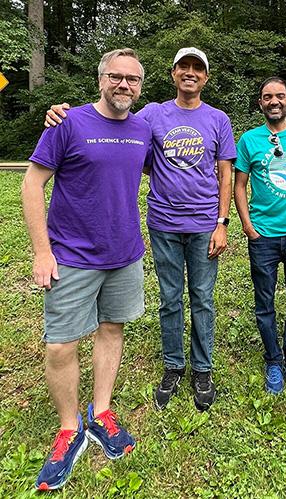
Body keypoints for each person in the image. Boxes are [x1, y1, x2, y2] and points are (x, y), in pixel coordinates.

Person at [45, 48, 236, 412]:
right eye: (184, 67)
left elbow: (225, 171)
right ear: (173, 73)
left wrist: (222, 222)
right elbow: (125, 142)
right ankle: (173, 365)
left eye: (198, 68)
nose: (191, 73)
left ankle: (203, 369)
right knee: (169, 298)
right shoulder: (151, 115)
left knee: (203, 298)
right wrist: (59, 115)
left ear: (206, 77)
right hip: (163, 222)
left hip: (203, 225)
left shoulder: (218, 119)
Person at [23, 48, 152, 490]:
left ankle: (100, 413)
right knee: (60, 344)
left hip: (125, 254)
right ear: (101, 80)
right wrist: (43, 251)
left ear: (140, 86)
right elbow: (32, 184)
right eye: (115, 77)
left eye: (132, 79)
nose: (124, 85)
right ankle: (67, 428)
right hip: (72, 256)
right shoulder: (69, 123)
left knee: (112, 330)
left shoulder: (143, 128)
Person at [234, 77, 286, 394]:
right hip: (263, 235)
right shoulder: (250, 140)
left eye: (279, 96)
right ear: (261, 104)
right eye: (267, 97)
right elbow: (239, 184)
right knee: (264, 302)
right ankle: (272, 358)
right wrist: (247, 225)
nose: (274, 101)